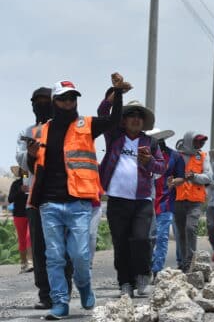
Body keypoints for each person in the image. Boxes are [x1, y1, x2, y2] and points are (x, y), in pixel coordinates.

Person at [26, 77, 125, 319]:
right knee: (54, 256)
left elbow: (114, 121)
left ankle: (84, 286)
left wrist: (119, 94)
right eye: (63, 98)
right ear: (55, 101)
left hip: (79, 202)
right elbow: (35, 166)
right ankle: (60, 302)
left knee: (80, 255)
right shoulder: (41, 131)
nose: (69, 102)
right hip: (49, 204)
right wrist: (30, 155)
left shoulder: (87, 124)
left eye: (72, 98)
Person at [99, 80, 166, 297]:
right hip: (117, 200)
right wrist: (116, 92)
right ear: (124, 120)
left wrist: (148, 162)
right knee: (121, 243)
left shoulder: (151, 143)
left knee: (140, 239)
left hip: (142, 201)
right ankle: (124, 283)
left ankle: (143, 274)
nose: (136, 119)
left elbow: (161, 168)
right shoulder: (114, 137)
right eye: (131, 115)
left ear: (143, 121)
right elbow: (102, 111)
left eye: (139, 116)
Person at [16, 86, 73, 310]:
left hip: (64, 197)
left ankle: (63, 292)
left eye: (45, 100)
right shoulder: (27, 131)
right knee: (40, 250)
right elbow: (21, 159)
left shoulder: (67, 128)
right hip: (37, 200)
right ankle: (46, 294)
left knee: (63, 249)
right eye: (37, 101)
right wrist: (30, 154)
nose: (41, 104)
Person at [169, 131, 212, 272]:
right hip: (178, 199)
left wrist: (194, 177)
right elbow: (169, 173)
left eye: (202, 142)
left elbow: (208, 177)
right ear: (189, 141)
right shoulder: (177, 156)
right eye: (197, 141)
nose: (200, 144)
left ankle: (191, 261)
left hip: (195, 200)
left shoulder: (203, 156)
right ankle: (183, 262)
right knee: (180, 233)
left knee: (190, 228)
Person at [147, 129, 185, 278]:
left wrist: (174, 182)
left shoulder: (175, 156)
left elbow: (181, 178)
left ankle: (157, 269)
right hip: (146, 202)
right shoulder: (143, 155)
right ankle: (147, 265)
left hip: (166, 202)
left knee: (162, 237)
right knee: (147, 237)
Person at [8, 166, 33, 274]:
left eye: (27, 169)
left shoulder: (34, 181)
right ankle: (23, 264)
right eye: (23, 169)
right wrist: (20, 190)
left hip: (32, 212)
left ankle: (31, 262)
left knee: (29, 236)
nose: (25, 171)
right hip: (19, 214)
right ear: (20, 171)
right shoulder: (16, 184)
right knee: (22, 239)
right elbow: (10, 199)